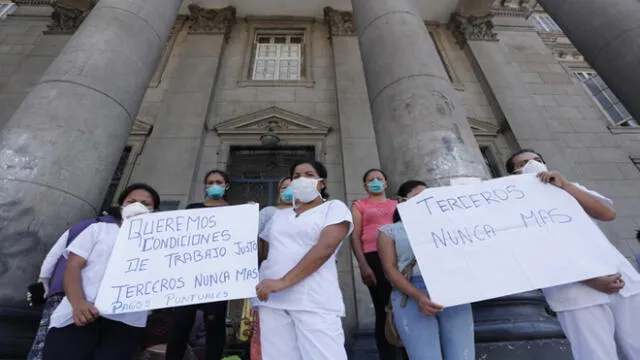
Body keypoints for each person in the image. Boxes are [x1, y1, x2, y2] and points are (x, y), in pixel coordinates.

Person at [506, 149, 640, 360]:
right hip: (575, 291)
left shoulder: (571, 188)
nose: (531, 165)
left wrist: (566, 186)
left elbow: (607, 213)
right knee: (596, 354)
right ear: (513, 173)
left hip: (621, 280)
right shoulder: (512, 208)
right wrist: (593, 280)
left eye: (536, 161)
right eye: (522, 164)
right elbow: (538, 251)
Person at [42, 183, 161, 359]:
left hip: (127, 321)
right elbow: (73, 266)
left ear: (155, 210)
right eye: (132, 201)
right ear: (121, 206)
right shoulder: (97, 229)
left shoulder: (162, 241)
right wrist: (78, 303)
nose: (138, 206)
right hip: (81, 313)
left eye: (146, 203)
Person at [255, 160, 353, 360]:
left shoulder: (333, 208)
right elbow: (261, 253)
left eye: (309, 175)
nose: (302, 179)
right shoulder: (279, 216)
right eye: (297, 176)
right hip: (271, 300)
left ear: (322, 183)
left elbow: (325, 248)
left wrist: (283, 282)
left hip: (313, 299)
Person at [377, 180, 475, 360]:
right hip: (410, 293)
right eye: (419, 196)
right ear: (401, 201)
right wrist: (419, 297)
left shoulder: (448, 225)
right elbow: (390, 270)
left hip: (453, 290)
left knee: (462, 354)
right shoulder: (388, 232)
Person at [166, 169, 232, 360]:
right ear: (205, 186)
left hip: (218, 276)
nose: (214, 185)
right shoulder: (193, 208)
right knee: (180, 323)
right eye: (210, 182)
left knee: (215, 324)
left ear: (226, 186)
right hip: (189, 274)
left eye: (219, 182)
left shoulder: (235, 212)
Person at [350, 169, 397, 360]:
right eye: (371, 180)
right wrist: (363, 265)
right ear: (365, 186)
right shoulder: (359, 205)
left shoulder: (397, 204)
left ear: (386, 183)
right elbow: (355, 235)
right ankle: (387, 355)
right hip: (373, 257)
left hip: (398, 256)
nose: (375, 182)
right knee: (383, 307)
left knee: (403, 306)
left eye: (379, 179)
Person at [251, 177, 293, 360]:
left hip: (300, 279)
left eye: (291, 187)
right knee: (267, 331)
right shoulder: (268, 212)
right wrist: (248, 216)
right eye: (283, 187)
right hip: (270, 277)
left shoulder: (312, 214)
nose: (287, 191)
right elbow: (252, 239)